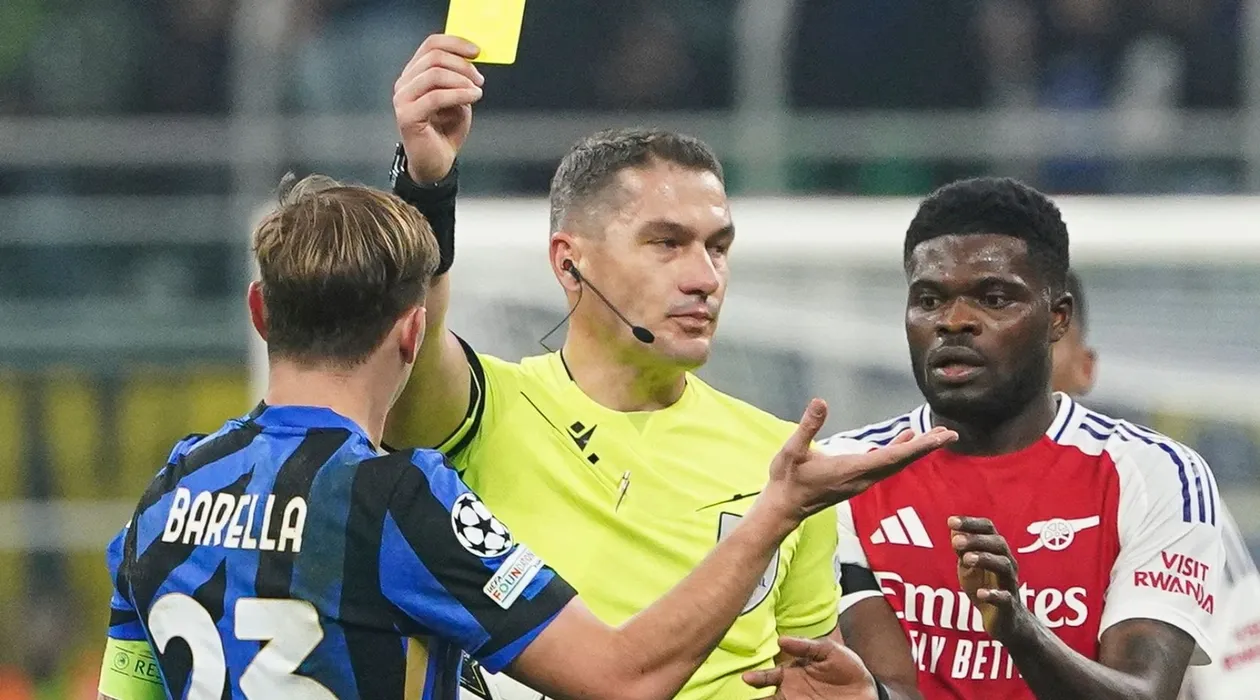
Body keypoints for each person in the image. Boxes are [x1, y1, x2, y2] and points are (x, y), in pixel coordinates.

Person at [93, 175, 953, 700]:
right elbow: (621, 678)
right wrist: (773, 515)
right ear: (411, 332)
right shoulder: (399, 497)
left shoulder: (169, 490)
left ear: (259, 313)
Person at [384, 34, 914, 699]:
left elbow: (810, 674)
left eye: (718, 248)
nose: (705, 278)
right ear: (569, 263)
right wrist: (427, 184)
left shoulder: (784, 460)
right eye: (667, 243)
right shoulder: (486, 410)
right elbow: (409, 339)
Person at [750, 177, 1226, 699]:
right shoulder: (846, 472)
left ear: (1057, 319)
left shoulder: (1156, 475)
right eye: (929, 299)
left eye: (994, 298)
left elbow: (1146, 693)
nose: (953, 321)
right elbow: (891, 687)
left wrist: (1018, 629)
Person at [1051, 271, 1260, 700]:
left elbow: (1241, 681)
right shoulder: (912, 480)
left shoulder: (1169, 495)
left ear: (1085, 368)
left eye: (1045, 340)